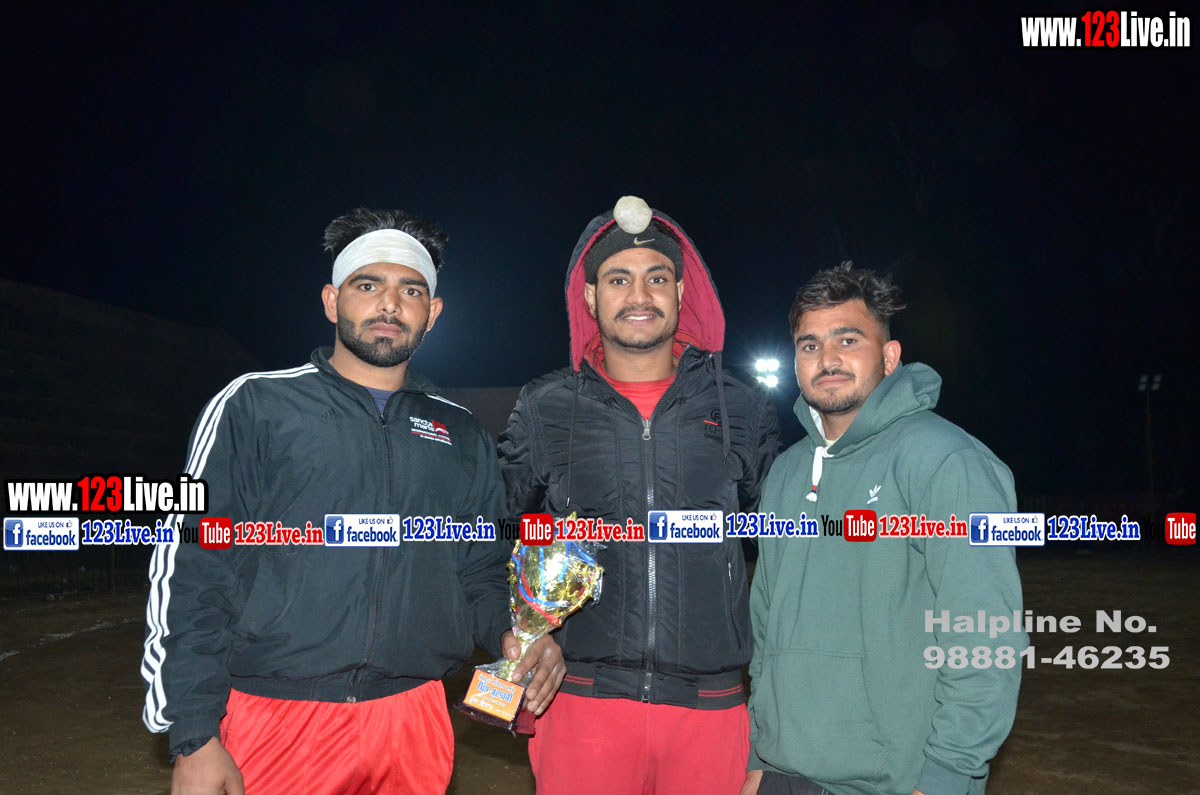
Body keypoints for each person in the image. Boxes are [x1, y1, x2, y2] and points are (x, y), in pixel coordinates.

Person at [141, 208, 564, 795]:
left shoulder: (462, 433)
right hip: (275, 715)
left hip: (414, 717)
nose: (389, 304)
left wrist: (513, 633)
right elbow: (194, 568)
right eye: (368, 286)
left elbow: (480, 569)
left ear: (432, 313)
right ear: (331, 300)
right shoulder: (255, 406)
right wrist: (193, 735)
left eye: (410, 290)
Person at [499, 195, 780, 794]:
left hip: (710, 706)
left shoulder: (742, 406)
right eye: (618, 279)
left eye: (657, 278)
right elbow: (489, 527)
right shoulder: (547, 406)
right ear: (590, 297)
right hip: (581, 700)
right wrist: (520, 627)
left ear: (680, 292)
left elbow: (787, 548)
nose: (639, 295)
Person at [744, 262, 1026, 795]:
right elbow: (766, 623)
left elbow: (986, 634)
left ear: (890, 357)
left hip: (897, 782)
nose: (828, 359)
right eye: (810, 345)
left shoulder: (947, 461)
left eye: (848, 340)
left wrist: (946, 776)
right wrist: (759, 750)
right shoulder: (785, 472)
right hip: (782, 773)